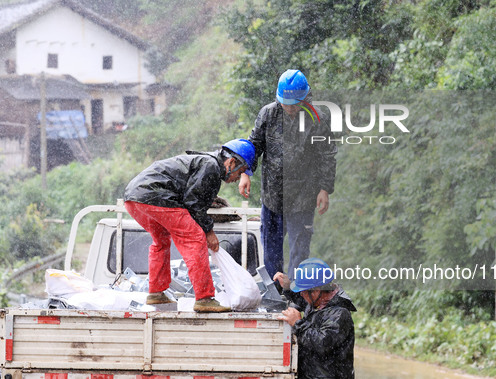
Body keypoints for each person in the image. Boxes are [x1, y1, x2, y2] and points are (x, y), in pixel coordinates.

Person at [123, 139, 256, 312]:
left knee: (161, 240)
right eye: (240, 172)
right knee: (194, 238)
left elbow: (194, 198)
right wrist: (209, 231)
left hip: (134, 198)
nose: (237, 178)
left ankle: (156, 292)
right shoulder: (211, 167)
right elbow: (194, 202)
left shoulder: (205, 163)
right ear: (231, 162)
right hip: (156, 196)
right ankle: (205, 298)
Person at [239, 69, 337, 281]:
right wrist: (246, 171)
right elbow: (254, 144)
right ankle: (275, 292)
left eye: (294, 103)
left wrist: (324, 189)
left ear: (305, 98)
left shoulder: (318, 118)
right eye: (286, 103)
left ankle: (296, 295)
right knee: (271, 248)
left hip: (303, 195)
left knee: (299, 249)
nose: (290, 108)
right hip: (273, 194)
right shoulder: (268, 113)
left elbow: (326, 154)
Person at [275, 258, 356, 379]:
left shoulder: (339, 314)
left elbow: (322, 343)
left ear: (317, 291)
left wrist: (298, 323)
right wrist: (287, 288)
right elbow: (303, 300)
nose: (301, 295)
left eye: (303, 292)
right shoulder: (318, 302)